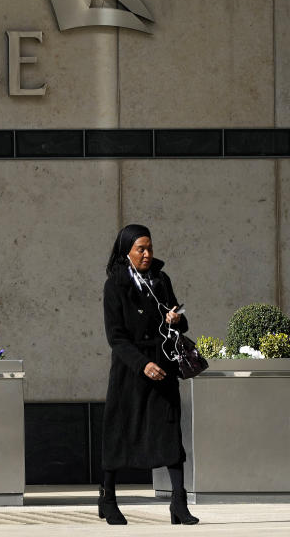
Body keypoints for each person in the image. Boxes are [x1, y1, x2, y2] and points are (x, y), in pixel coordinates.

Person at [100, 224, 198, 525]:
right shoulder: (115, 285)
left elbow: (179, 324)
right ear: (126, 251)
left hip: (164, 363)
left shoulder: (161, 279)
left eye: (149, 248)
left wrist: (177, 318)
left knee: (169, 430)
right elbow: (115, 337)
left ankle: (178, 502)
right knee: (120, 431)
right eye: (140, 249)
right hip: (132, 369)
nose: (146, 254)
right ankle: (108, 499)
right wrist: (142, 364)